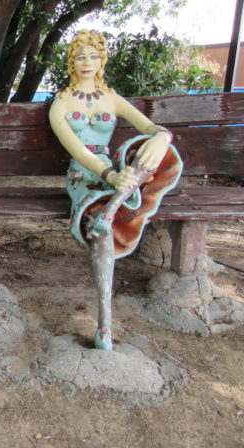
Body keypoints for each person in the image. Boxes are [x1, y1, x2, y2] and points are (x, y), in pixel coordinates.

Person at [48, 29, 182, 351]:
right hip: (85, 175)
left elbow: (150, 127)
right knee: (101, 230)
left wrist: (162, 137)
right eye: (81, 56)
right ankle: (104, 323)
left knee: (145, 150)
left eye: (94, 55)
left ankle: (114, 206)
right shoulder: (61, 104)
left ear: (102, 60)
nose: (88, 62)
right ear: (71, 62)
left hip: (117, 174)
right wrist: (109, 174)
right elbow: (78, 151)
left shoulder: (111, 98)